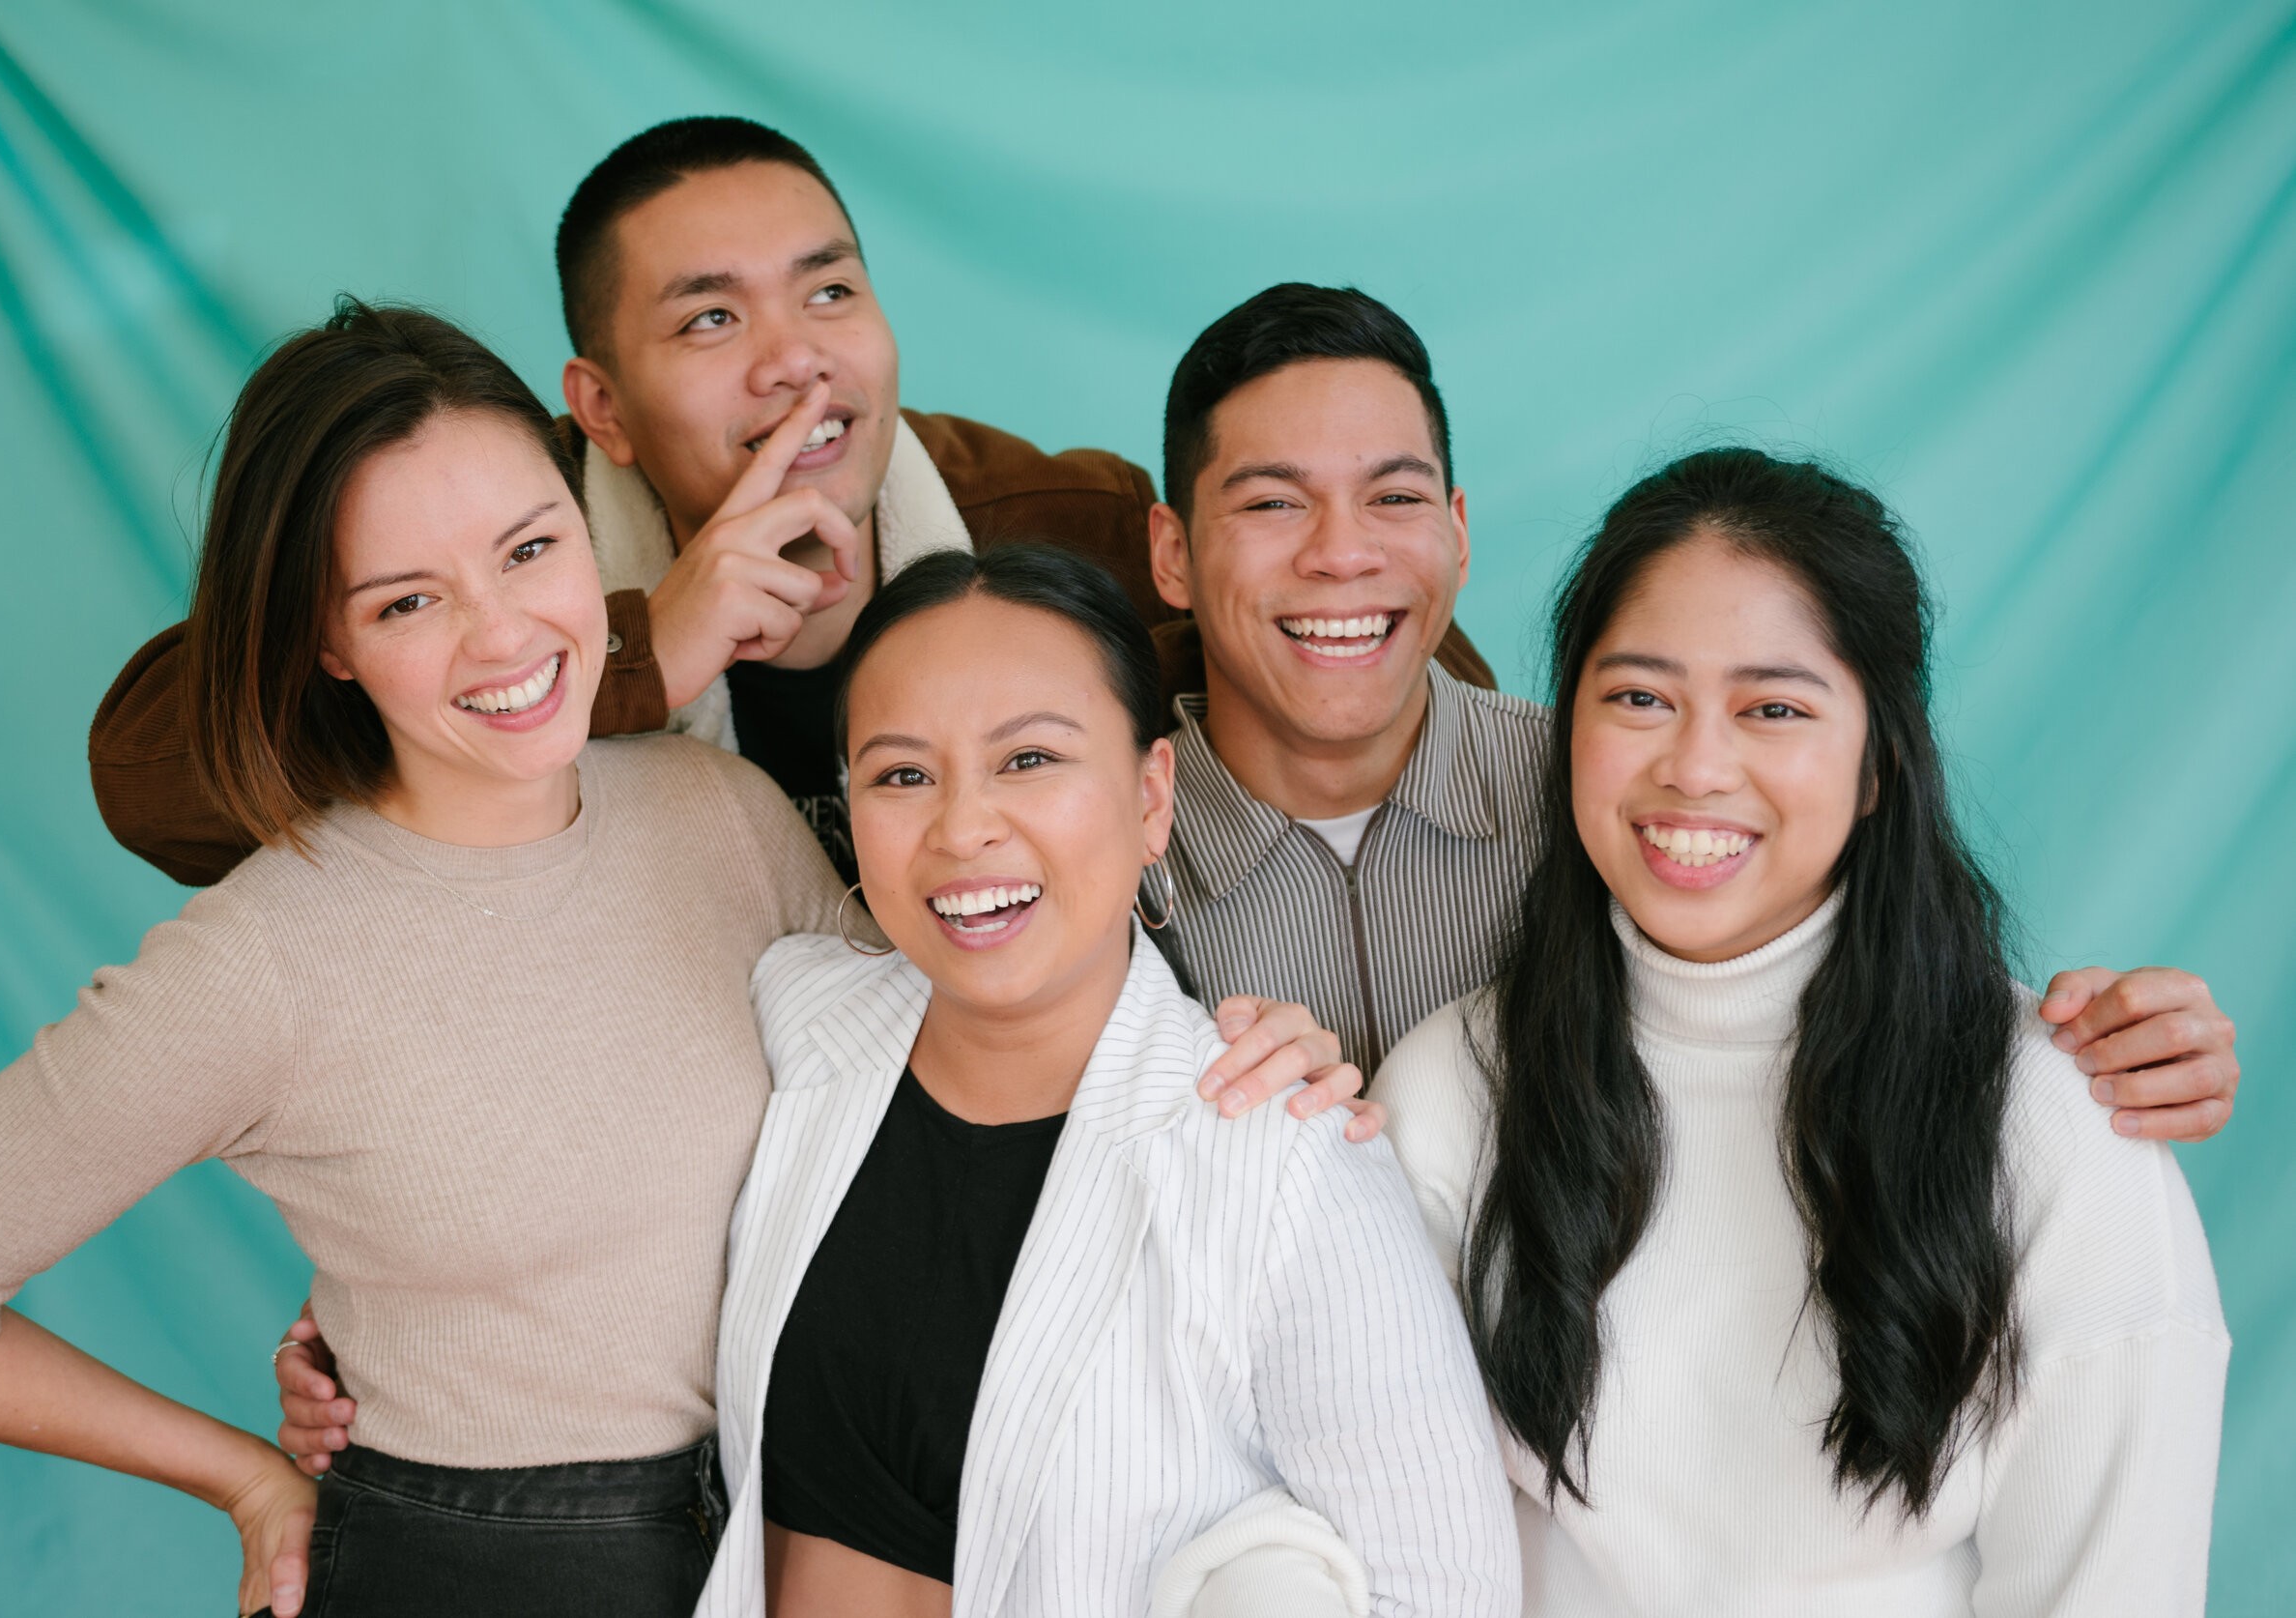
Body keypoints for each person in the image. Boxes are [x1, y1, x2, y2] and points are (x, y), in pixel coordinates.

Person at [0, 303, 1355, 1618]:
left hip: (800, 1522)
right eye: (407, 599)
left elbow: (961, 1065)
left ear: (590, 531)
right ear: (329, 643)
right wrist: (245, 1478)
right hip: (485, 1565)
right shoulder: (263, 956)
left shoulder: (713, 812)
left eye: (530, 548)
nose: (502, 632)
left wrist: (1224, 1058)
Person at [83, 117, 1501, 887]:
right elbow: (153, 778)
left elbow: (1390, 666)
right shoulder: (511, 528)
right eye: (710, 321)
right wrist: (638, 650)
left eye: (831, 290)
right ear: (603, 408)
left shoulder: (1058, 517)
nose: (796, 357)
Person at [1371, 448, 2228, 1613]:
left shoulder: (2054, 1120)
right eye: (1637, 698)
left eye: (1772, 707)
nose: (1695, 766)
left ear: (1879, 763)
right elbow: (1403, 1554)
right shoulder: (1446, 1094)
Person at [1141, 282, 2243, 1119]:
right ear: (1173, 554)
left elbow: (1873, 984)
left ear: (1460, 532)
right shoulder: (1093, 858)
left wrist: (2110, 1049)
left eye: (1393, 496)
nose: (1343, 555)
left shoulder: (1629, 795)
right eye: (1274, 503)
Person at [703, 544, 1519, 1617]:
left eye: (1029, 759)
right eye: (902, 774)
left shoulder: (1284, 1160)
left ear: (1150, 795)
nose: (961, 827)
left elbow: (1446, 1595)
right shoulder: (795, 1017)